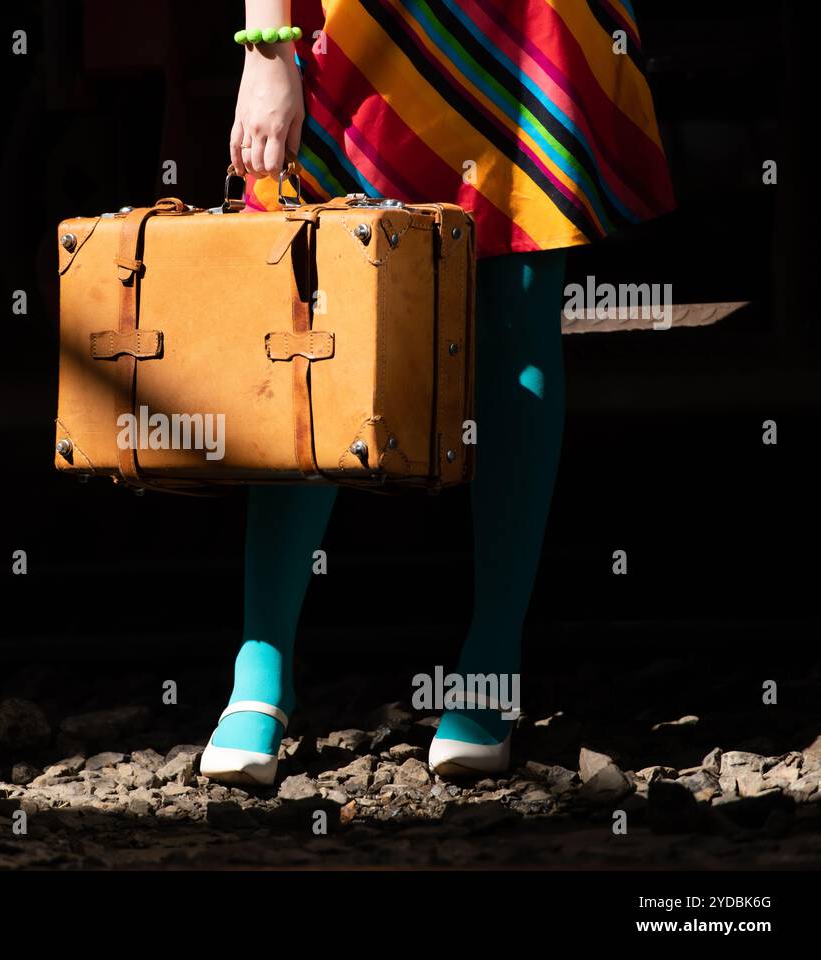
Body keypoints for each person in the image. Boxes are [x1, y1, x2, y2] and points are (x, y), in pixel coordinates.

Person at [199, 0, 675, 785]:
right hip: (355, 20)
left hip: (526, 18)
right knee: (312, 320)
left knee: (518, 303)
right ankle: (262, 664)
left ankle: (492, 657)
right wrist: (266, 46)